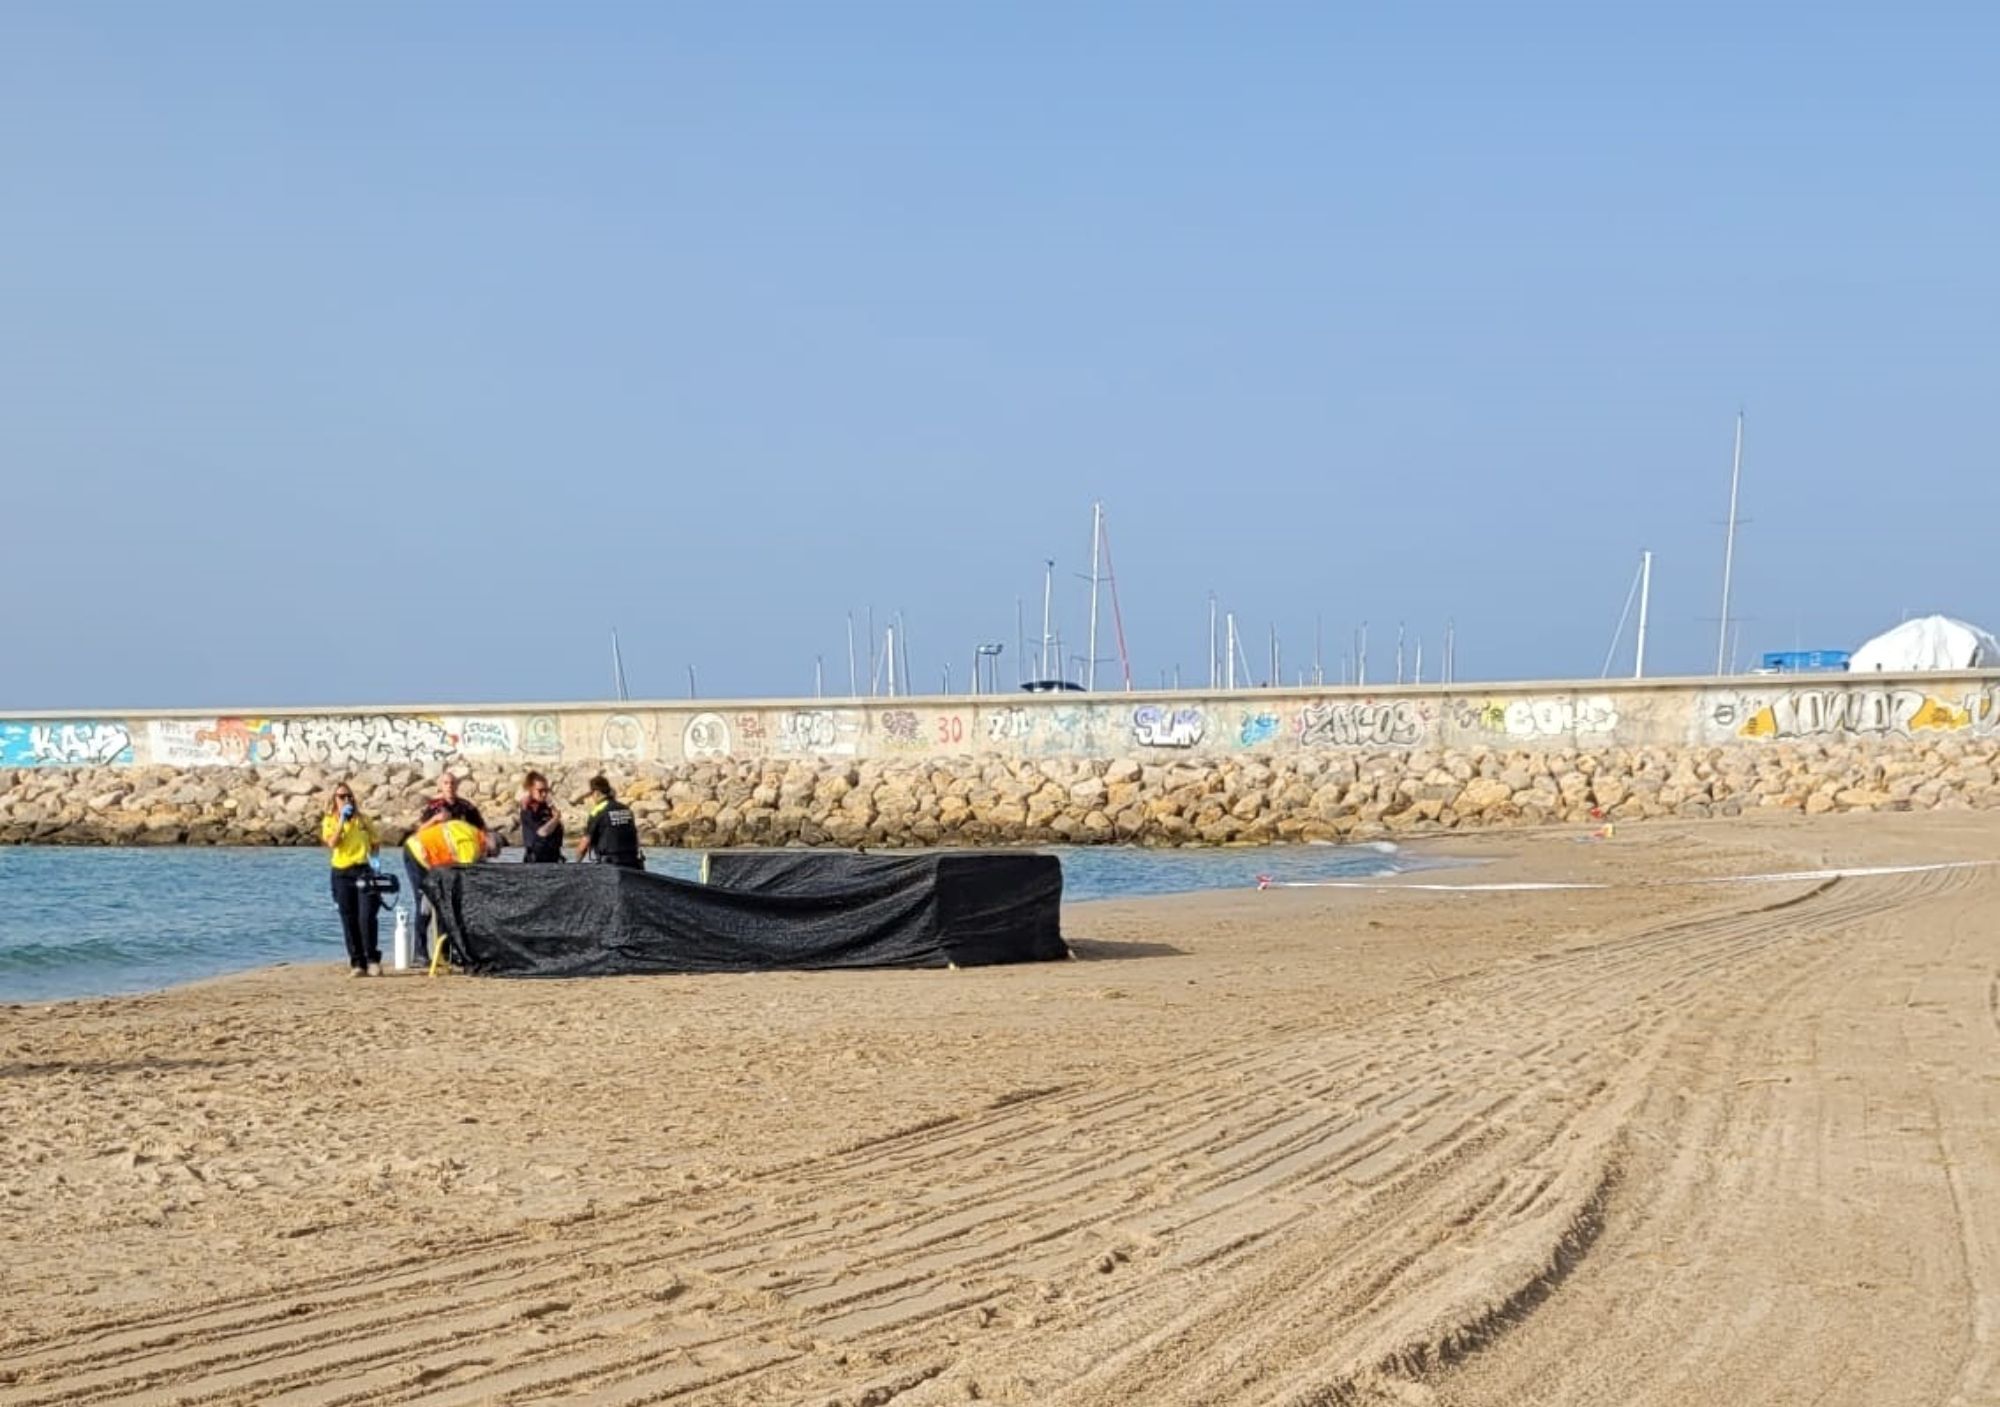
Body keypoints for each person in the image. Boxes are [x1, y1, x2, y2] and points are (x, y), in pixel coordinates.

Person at [403, 772, 489, 956]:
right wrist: (435, 820)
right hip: (424, 858)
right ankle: (420, 952)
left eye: (452, 783)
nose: (450, 786)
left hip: (450, 864)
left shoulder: (466, 808)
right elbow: (418, 833)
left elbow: (481, 832)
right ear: (440, 786)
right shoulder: (433, 807)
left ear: (457, 786)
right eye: (446, 783)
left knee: (447, 904)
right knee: (425, 902)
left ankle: (444, 952)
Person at [321, 782, 382, 976]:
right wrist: (341, 822)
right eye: (341, 797)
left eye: (349, 796)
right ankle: (357, 963)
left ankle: (372, 959)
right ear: (334, 800)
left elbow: (375, 843)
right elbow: (332, 843)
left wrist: (375, 861)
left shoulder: (363, 820)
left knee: (366, 917)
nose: (346, 800)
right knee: (349, 919)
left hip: (363, 870)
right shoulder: (329, 820)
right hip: (342, 872)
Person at [575, 775, 644, 869]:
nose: (591, 797)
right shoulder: (625, 809)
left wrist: (576, 864)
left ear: (596, 793)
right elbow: (635, 838)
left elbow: (585, 844)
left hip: (610, 865)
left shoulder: (597, 811)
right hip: (632, 863)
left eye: (591, 793)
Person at [519, 771, 564, 863]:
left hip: (553, 856)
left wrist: (552, 808)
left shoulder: (548, 807)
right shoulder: (528, 808)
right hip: (536, 859)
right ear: (531, 789)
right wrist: (556, 818)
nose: (544, 794)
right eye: (540, 791)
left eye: (546, 791)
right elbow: (542, 832)